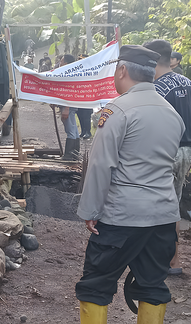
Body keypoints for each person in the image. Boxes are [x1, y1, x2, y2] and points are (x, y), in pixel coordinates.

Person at [76, 45, 182, 324]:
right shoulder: (172, 113)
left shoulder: (117, 111)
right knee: (152, 285)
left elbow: (101, 165)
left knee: (95, 284)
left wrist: (90, 211)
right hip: (163, 217)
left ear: (122, 70)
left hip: (122, 217)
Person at [144, 39, 191, 276]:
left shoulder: (157, 88)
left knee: (157, 206)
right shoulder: (187, 82)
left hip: (167, 150)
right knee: (173, 206)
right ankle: (174, 260)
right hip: (186, 149)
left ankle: (155, 258)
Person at [58, 54, 80, 161]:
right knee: (73, 129)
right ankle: (75, 153)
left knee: (70, 130)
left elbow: (69, 92)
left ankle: (69, 155)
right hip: (71, 105)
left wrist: (66, 108)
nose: (60, 63)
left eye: (61, 61)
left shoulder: (68, 75)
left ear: (66, 63)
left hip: (68, 105)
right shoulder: (71, 73)